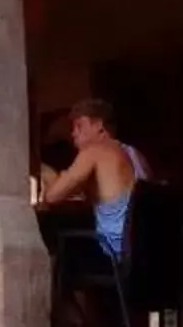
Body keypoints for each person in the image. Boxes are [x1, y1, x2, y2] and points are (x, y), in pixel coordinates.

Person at [38, 97, 147, 259]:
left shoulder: (94, 151)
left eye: (79, 125)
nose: (73, 133)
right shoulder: (134, 153)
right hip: (144, 251)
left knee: (49, 233)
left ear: (99, 127)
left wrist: (54, 176)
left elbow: (52, 196)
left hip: (115, 253)